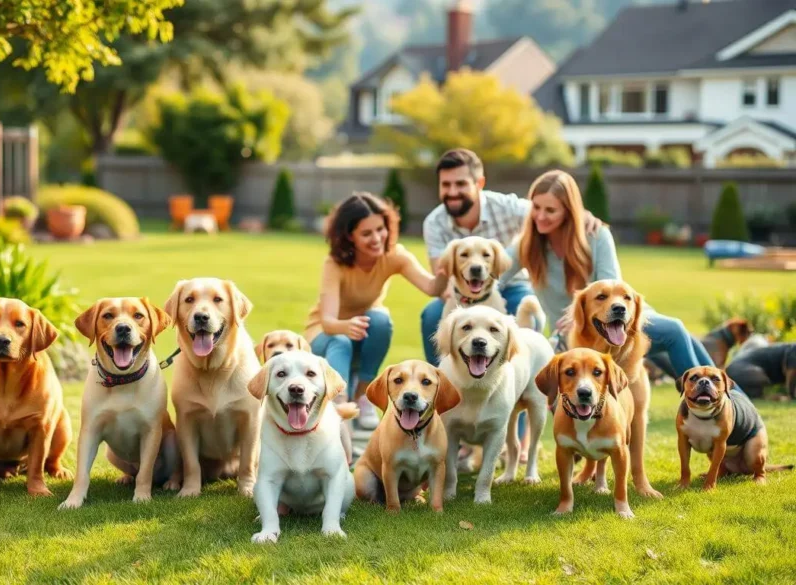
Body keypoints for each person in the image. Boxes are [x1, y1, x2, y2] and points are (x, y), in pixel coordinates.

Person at [499, 169, 726, 386]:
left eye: (550, 210)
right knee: (677, 337)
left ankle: (721, 399)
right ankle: (728, 400)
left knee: (675, 333)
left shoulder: (596, 236)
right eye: (536, 207)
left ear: (569, 211)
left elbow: (615, 292)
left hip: (618, 322)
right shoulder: (527, 245)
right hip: (578, 335)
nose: (540, 216)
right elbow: (495, 274)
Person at [420, 149, 601, 367]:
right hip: (459, 292)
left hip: (512, 284)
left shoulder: (508, 207)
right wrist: (461, 296)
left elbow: (546, 211)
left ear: (479, 183)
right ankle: (443, 383)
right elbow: (440, 275)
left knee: (526, 314)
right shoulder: (434, 223)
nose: (452, 191)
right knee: (431, 315)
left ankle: (523, 377)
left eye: (460, 184)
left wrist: (581, 215)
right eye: (446, 185)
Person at [304, 192, 448, 431]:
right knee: (341, 341)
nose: (377, 238)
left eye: (380, 229)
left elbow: (431, 287)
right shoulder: (335, 263)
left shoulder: (394, 256)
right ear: (349, 236)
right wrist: (345, 326)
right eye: (366, 233)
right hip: (326, 332)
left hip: (364, 328)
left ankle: (361, 399)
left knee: (380, 320)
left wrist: (444, 274)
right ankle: (339, 408)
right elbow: (328, 321)